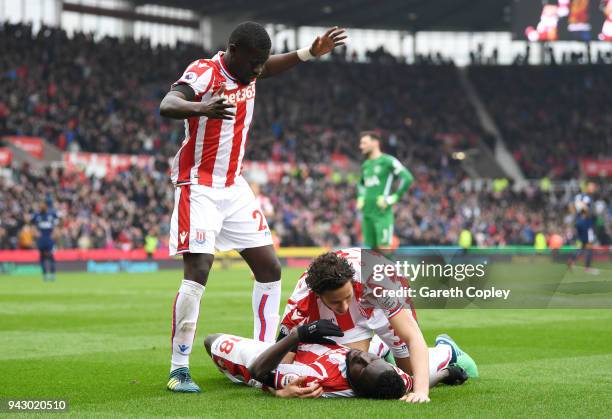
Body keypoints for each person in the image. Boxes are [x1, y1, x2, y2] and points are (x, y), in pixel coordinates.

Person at [158, 22, 347, 393]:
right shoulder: (205, 72)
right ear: (233, 50)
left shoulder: (251, 72)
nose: (259, 69)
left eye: (262, 63)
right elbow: (167, 103)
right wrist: (201, 107)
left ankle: (262, 355)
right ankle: (178, 367)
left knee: (269, 267)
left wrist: (309, 53)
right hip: (199, 186)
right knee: (199, 268)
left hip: (234, 186)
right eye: (254, 62)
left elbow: (272, 66)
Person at [278, 249, 478, 403]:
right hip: (351, 299)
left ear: (352, 282)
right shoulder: (301, 300)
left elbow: (413, 336)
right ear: (319, 296)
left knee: (409, 375)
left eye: (347, 297)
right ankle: (379, 349)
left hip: (379, 299)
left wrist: (421, 392)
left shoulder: (381, 280)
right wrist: (281, 389)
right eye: (336, 302)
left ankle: (446, 350)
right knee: (352, 372)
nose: (344, 306)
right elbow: (279, 362)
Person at [203, 320, 468, 400]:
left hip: (282, 355)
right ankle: (447, 350)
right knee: (384, 344)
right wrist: (447, 375)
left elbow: (260, 370)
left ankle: (445, 349)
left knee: (213, 340)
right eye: (370, 360)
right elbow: (413, 382)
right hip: (327, 348)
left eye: (361, 366)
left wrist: (299, 334)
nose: (362, 358)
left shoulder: (313, 377)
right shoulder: (387, 376)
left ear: (357, 384)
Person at [357, 131, 413, 250]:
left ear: (375, 143)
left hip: (382, 213)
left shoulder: (388, 161)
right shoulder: (366, 165)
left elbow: (407, 178)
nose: (361, 146)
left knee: (384, 250)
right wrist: (360, 197)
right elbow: (361, 184)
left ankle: (393, 269)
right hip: (367, 213)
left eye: (364, 143)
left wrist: (393, 197)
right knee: (370, 251)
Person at [31, 202, 59, 282]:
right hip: (41, 239)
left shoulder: (52, 215)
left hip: (49, 239)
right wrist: (35, 233)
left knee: (51, 257)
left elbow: (57, 226)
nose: (41, 208)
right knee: (42, 257)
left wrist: (54, 234)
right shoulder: (37, 215)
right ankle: (45, 275)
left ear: (46, 207)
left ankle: (52, 275)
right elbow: (32, 225)